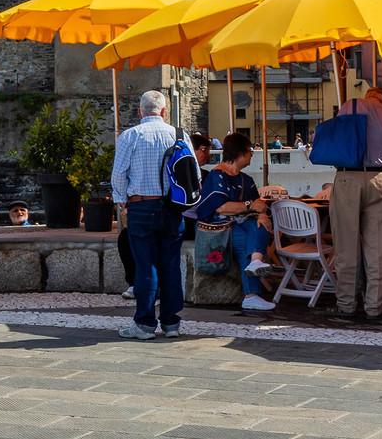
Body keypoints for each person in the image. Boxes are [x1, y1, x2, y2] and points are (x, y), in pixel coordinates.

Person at [111, 88, 191, 339]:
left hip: (141, 205)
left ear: (139, 111)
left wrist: (123, 201)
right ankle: (171, 324)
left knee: (145, 266)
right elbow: (193, 174)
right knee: (170, 264)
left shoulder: (130, 136)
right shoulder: (179, 135)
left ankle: (145, 324)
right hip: (172, 206)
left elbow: (118, 174)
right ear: (164, 111)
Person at [328, 83, 382, 322]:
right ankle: (374, 307)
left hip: (348, 177)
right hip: (381, 179)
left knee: (346, 245)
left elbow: (339, 140)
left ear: (371, 95)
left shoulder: (351, 105)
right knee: (378, 249)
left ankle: (347, 305)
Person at [195, 135, 275, 313]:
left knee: (260, 225)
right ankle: (251, 294)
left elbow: (259, 204)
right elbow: (221, 208)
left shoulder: (247, 180)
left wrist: (262, 213)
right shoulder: (217, 176)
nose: (252, 154)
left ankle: (255, 265)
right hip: (219, 228)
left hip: (242, 224)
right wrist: (250, 206)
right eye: (250, 150)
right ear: (240, 152)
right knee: (248, 239)